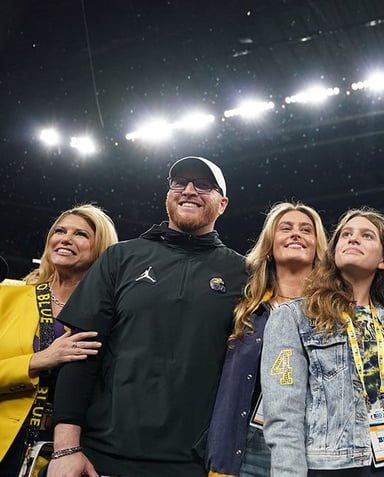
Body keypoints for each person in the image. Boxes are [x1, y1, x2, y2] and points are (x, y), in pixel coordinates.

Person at [46, 156, 247, 477]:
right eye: (180, 183)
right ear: (168, 195)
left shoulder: (243, 272)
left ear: (222, 204)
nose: (189, 190)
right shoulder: (120, 257)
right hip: (104, 455)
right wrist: (66, 448)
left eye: (203, 185)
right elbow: (80, 354)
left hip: (193, 463)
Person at [260, 208, 384, 476]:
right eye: (346, 235)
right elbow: (283, 414)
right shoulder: (294, 317)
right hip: (330, 465)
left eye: (367, 236)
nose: (353, 239)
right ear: (333, 252)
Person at [206, 202, 328, 477]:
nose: (296, 234)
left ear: (318, 246)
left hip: (310, 447)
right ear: (270, 245)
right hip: (243, 443)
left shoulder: (331, 312)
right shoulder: (243, 308)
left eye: (306, 230)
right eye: (285, 228)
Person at [0, 205, 117, 476]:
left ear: (101, 249)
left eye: (81, 235)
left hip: (64, 456)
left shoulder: (112, 318)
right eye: (60, 231)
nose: (65, 238)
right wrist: (39, 360)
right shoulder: (7, 296)